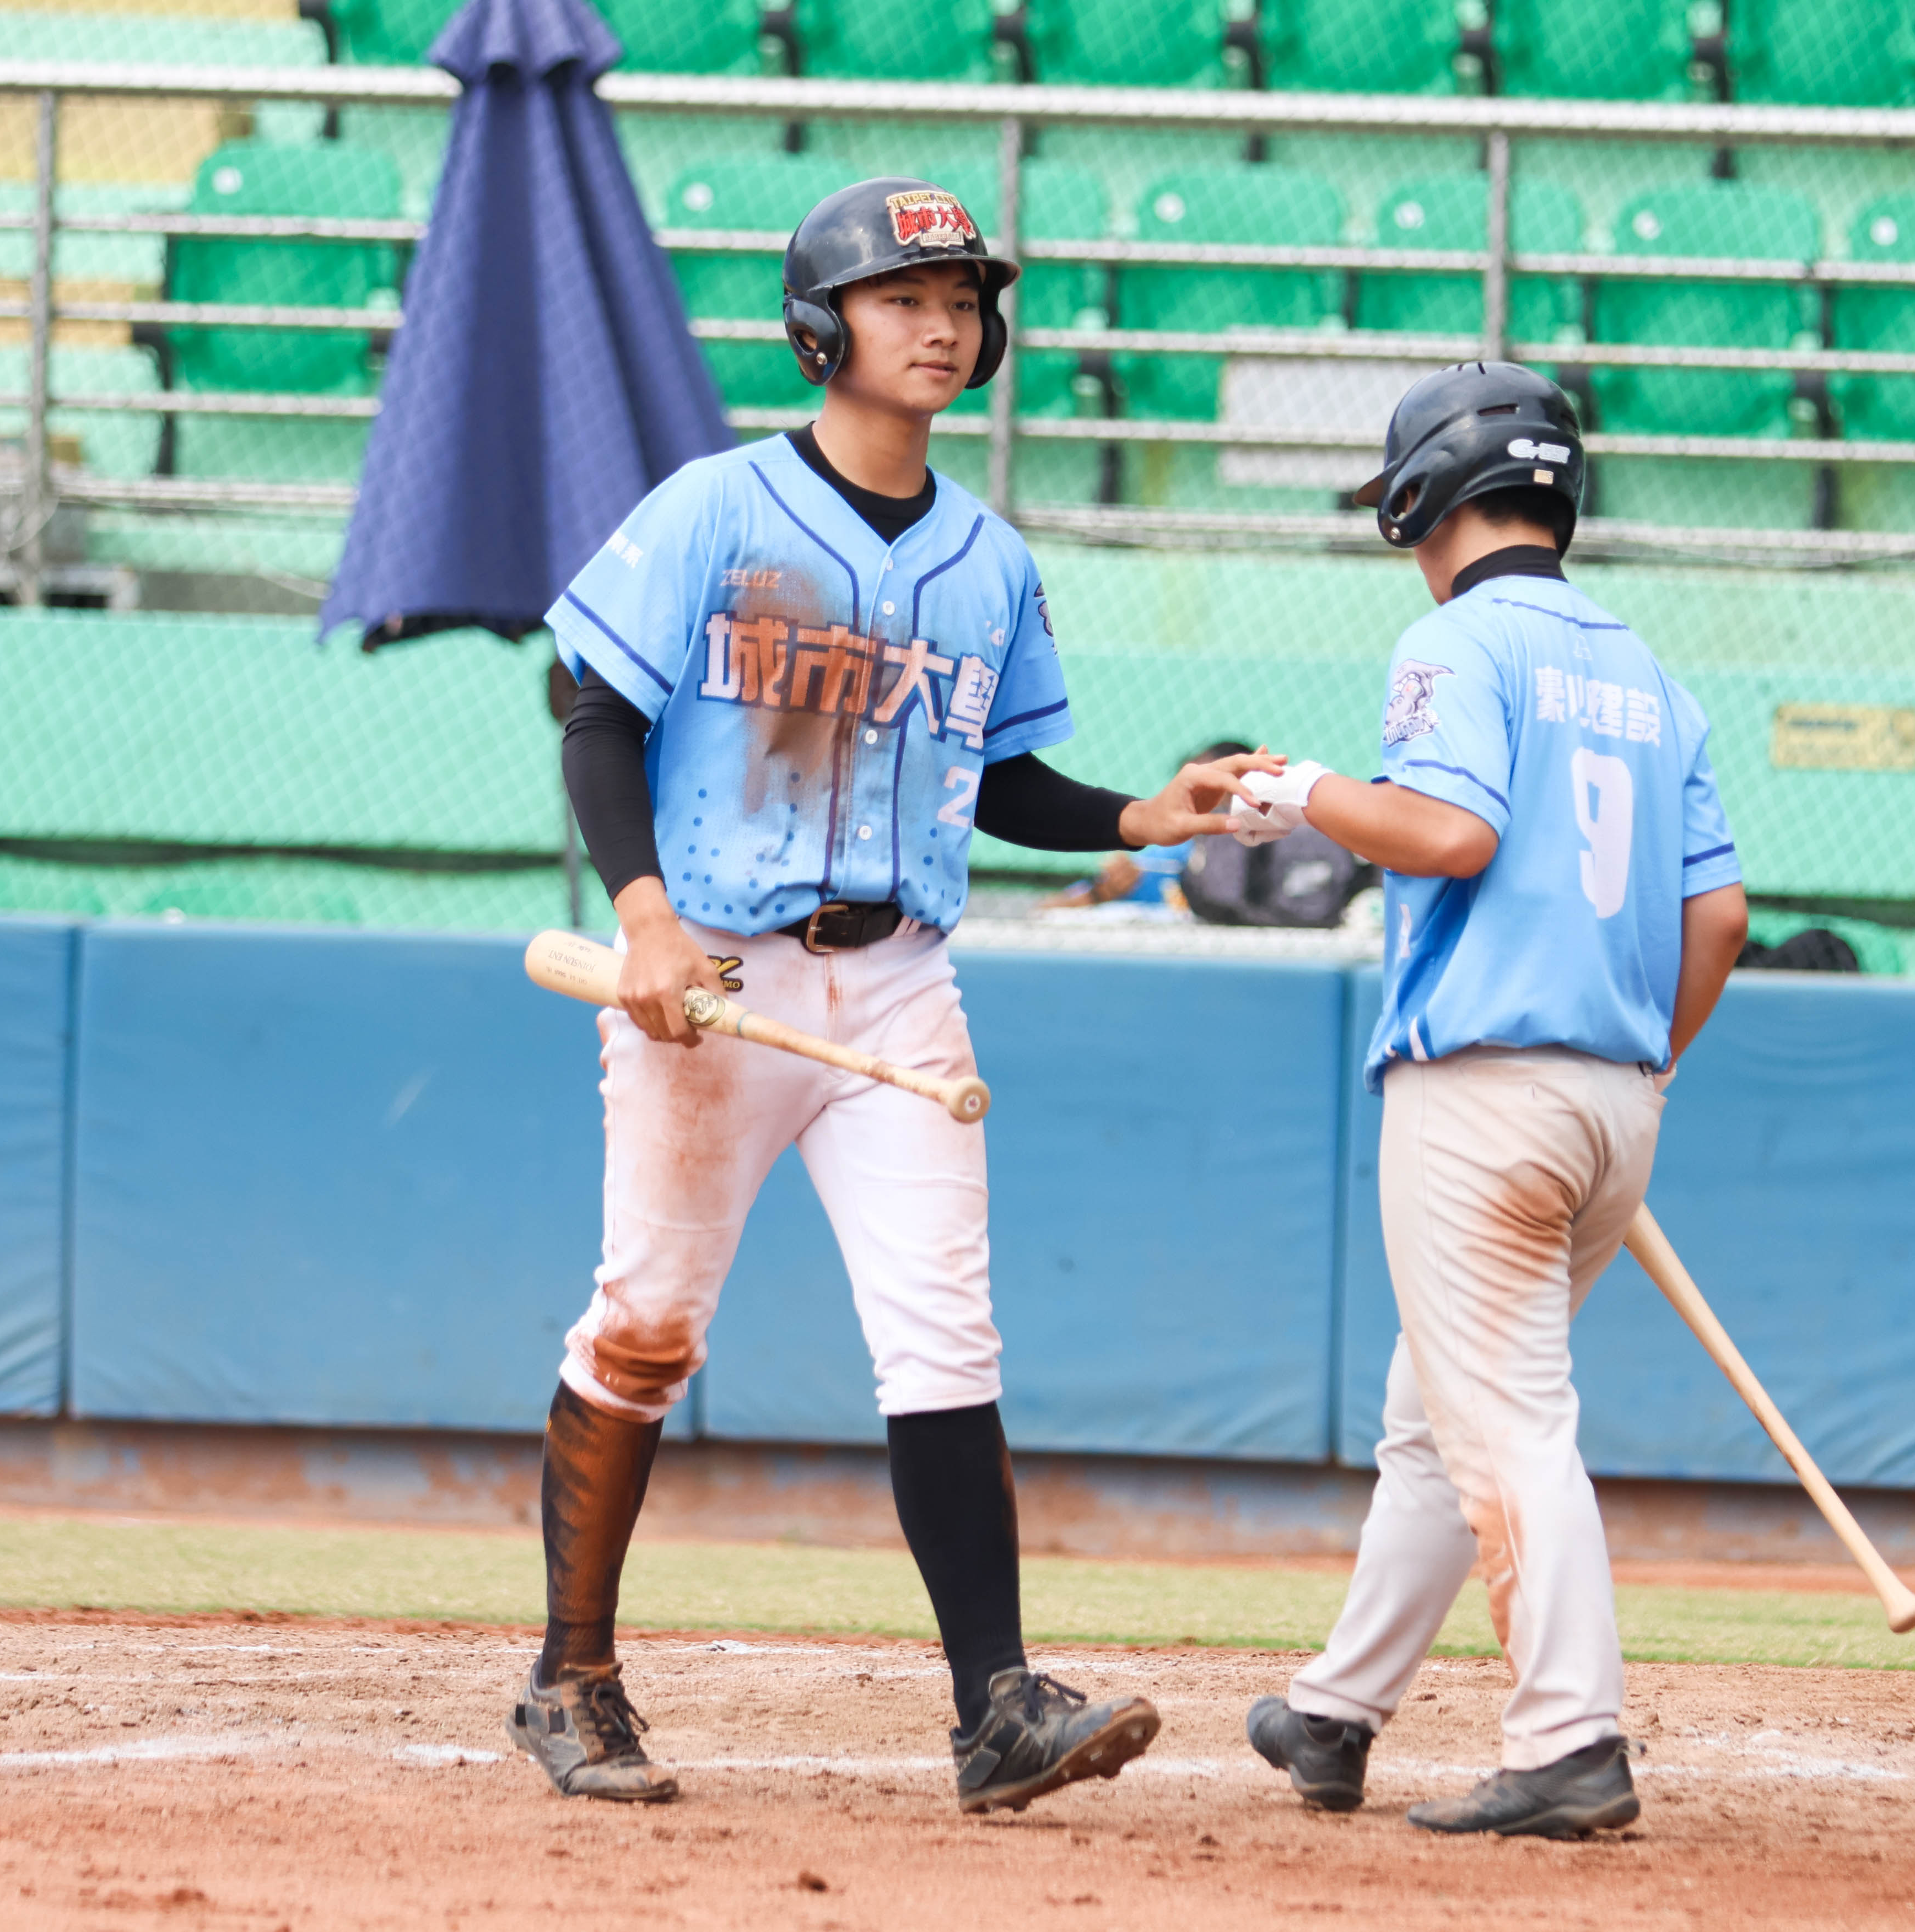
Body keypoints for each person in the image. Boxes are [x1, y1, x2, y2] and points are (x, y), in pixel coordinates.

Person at [525, 174, 1274, 1811]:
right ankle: (572, 1672)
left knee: (945, 1334)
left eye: (964, 300)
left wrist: (1151, 812)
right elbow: (589, 703)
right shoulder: (718, 507)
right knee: (649, 1322)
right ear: (820, 325)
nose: (944, 322)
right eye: (904, 296)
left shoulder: (988, 560)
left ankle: (994, 1704)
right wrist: (644, 918)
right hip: (715, 958)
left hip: (901, 983)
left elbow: (1000, 783)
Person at [1223, 362, 1749, 1837]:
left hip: (1480, 1092)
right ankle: (1334, 1712)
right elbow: (1719, 924)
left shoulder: (1456, 641)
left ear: (1423, 495)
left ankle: (1572, 1741)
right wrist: (1639, 1067)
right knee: (1432, 1419)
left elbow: (1448, 833)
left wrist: (1306, 788)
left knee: (1504, 1420)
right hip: (1610, 1097)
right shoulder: (1655, 676)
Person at [1044, 739, 1254, 917]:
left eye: (1209, 791)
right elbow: (1046, 910)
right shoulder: (1159, 860)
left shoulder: (1273, 858)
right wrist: (1101, 894)